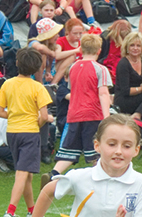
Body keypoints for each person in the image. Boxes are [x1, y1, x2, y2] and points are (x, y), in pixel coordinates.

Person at [0, 48, 52, 217]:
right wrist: (36, 123)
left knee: (26, 174)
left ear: (17, 63)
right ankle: (10, 212)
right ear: (36, 68)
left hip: (12, 132)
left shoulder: (8, 84)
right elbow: (43, 116)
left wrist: (14, 115)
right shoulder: (38, 87)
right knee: (22, 172)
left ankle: (32, 211)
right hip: (30, 133)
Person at [44, 34, 112, 182]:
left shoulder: (73, 67)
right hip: (93, 114)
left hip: (74, 114)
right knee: (96, 150)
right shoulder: (100, 69)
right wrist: (106, 116)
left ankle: (53, 174)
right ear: (99, 50)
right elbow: (103, 93)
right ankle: (98, 179)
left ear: (80, 49)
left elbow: (73, 90)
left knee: (70, 149)